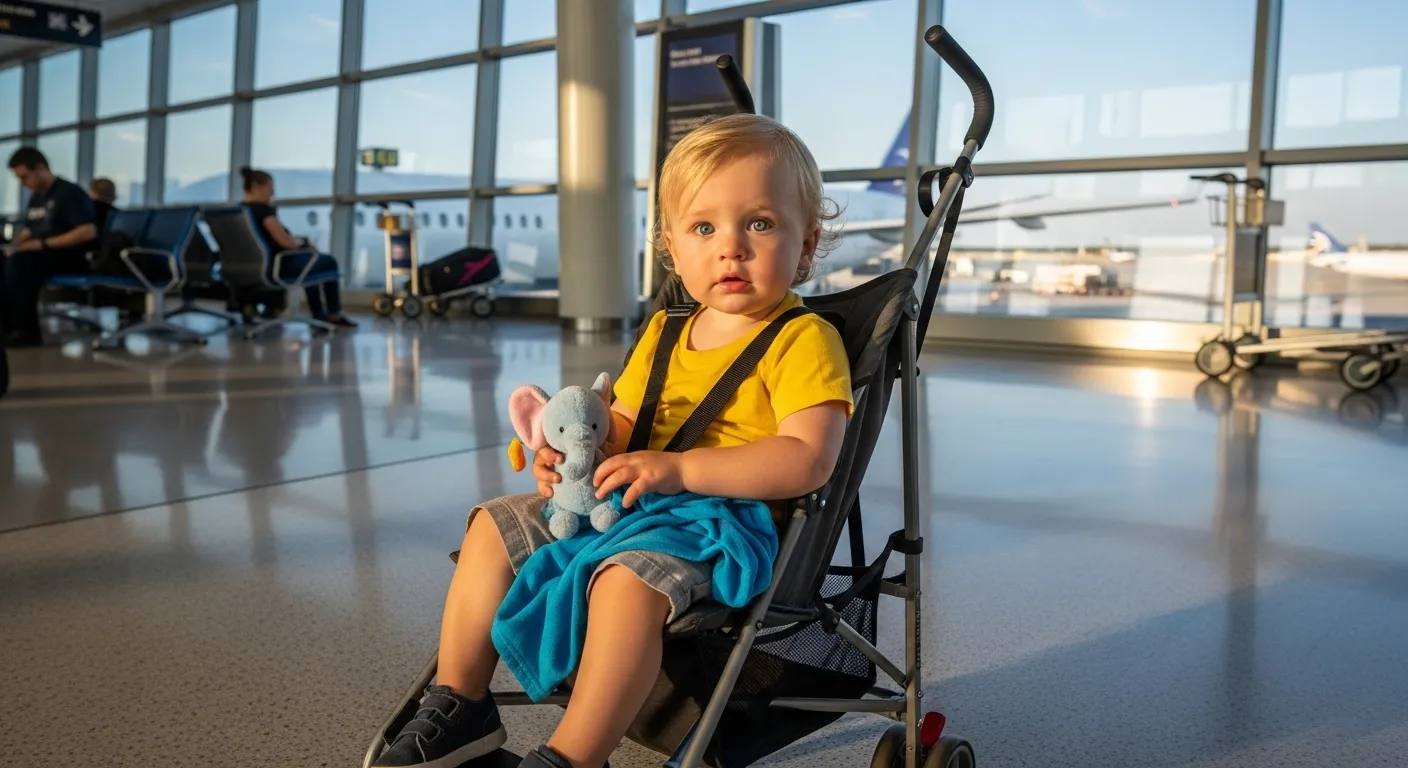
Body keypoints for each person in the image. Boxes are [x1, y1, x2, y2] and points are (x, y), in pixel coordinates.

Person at [371, 113, 853, 768]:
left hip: (719, 520)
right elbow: (618, 424)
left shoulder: (802, 339)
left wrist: (679, 471)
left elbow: (808, 457)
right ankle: (462, 703)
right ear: (672, 248)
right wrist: (573, 458)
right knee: (491, 524)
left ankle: (573, 755)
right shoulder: (663, 334)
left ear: (806, 244)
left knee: (625, 584)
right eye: (704, 228)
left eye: (760, 224)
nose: (730, 247)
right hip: (627, 497)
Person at [2, 147, 99, 347]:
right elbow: (29, 230)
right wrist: (15, 246)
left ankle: (25, 331)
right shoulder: (37, 198)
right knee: (7, 259)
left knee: (21, 265)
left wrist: (43, 244)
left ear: (39, 168)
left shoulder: (69, 193)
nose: (23, 183)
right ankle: (6, 327)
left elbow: (88, 231)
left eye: (25, 177)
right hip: (42, 255)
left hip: (69, 256)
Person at [239, 166, 356, 328]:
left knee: (311, 262)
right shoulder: (264, 212)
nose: (272, 194)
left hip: (251, 267)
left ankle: (319, 314)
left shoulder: (239, 212)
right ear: (255, 187)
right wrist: (304, 243)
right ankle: (331, 314)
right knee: (327, 262)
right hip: (277, 266)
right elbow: (286, 243)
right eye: (270, 189)